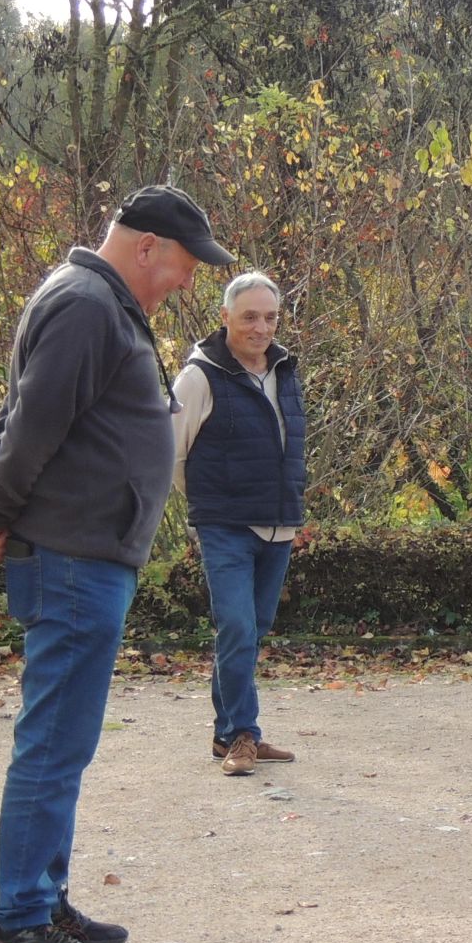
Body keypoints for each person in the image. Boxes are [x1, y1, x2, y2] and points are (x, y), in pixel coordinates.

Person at [0, 185, 235, 943]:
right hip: (71, 560)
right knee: (53, 744)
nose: (185, 282)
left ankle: (43, 897)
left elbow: (20, 417)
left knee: (65, 745)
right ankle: (18, 927)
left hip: (83, 556)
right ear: (145, 248)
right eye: (181, 265)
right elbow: (30, 425)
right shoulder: (86, 306)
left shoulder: (92, 301)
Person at [172, 271, 306, 777]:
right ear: (225, 316)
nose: (261, 327)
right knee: (237, 628)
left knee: (252, 631)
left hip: (279, 524)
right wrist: (210, 505)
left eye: (270, 317)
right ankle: (243, 734)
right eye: (250, 316)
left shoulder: (285, 370)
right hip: (225, 525)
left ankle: (226, 732)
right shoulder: (199, 376)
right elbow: (172, 455)